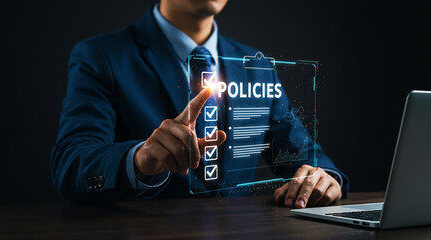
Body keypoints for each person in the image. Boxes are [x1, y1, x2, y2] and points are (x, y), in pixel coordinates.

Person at [51, 0, 348, 207]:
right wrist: (139, 159)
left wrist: (324, 178)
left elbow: (302, 155)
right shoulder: (102, 56)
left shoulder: (257, 67)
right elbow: (71, 163)